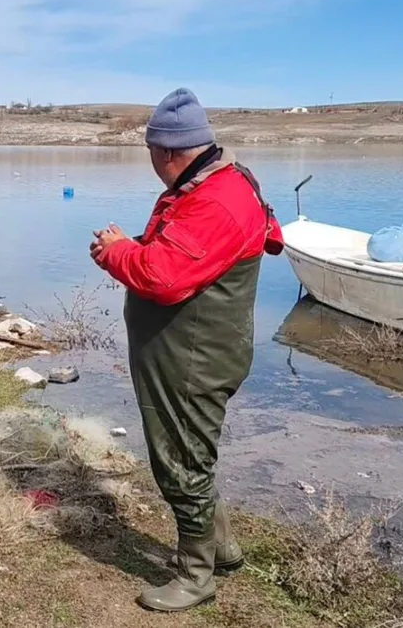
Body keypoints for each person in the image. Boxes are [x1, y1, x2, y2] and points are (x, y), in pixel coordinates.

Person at [90, 88, 284, 612]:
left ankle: (196, 575)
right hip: (190, 351)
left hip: (193, 358)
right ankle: (221, 550)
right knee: (193, 451)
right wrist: (127, 245)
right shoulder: (212, 183)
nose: (151, 163)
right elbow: (186, 252)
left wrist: (115, 254)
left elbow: (164, 276)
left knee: (180, 461)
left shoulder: (216, 199)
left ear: (169, 152)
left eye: (151, 153)